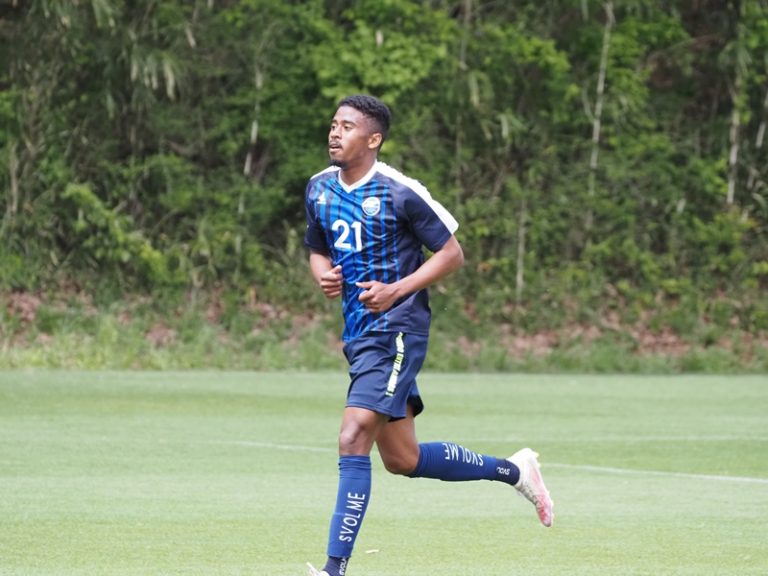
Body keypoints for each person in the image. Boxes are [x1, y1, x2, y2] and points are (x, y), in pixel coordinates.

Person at [303, 95, 553, 576]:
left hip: (397, 330)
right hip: (359, 334)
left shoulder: (400, 192)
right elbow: (317, 248)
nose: (335, 132)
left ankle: (334, 570)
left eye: (347, 126)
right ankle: (515, 471)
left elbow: (451, 254)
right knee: (403, 458)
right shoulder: (318, 188)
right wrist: (323, 274)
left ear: (373, 140)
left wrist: (397, 289)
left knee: (352, 437)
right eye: (334, 124)